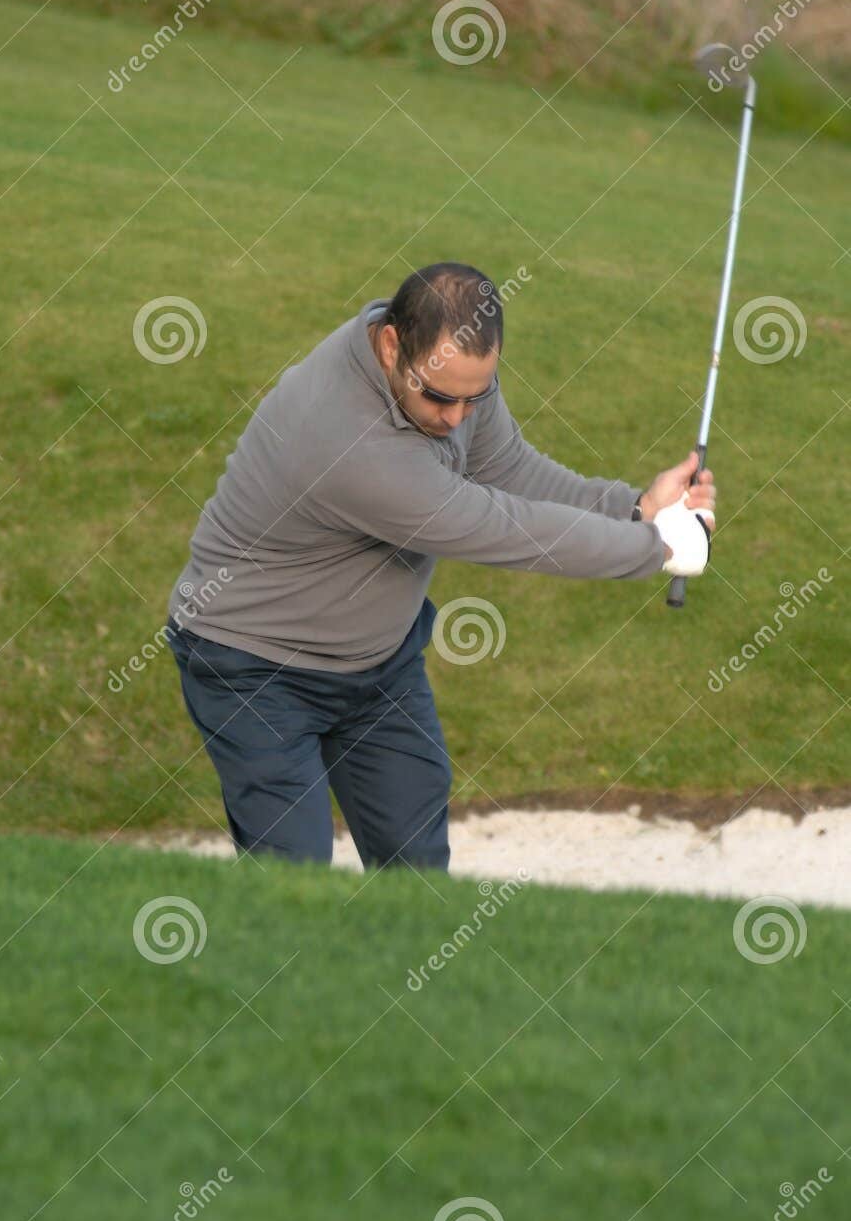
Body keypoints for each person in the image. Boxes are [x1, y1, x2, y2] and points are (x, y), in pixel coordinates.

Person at [165, 262, 716, 873]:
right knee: (293, 891)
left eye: (473, 396)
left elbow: (506, 467)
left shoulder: (449, 370)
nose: (457, 416)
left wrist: (636, 509)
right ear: (393, 344)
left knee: (418, 876)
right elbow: (503, 528)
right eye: (439, 397)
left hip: (378, 666)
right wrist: (656, 549)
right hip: (255, 669)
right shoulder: (348, 443)